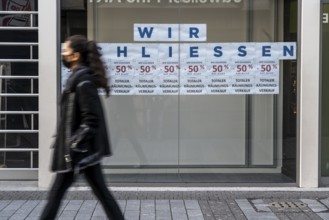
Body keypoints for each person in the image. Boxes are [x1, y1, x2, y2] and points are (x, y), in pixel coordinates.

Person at [40, 35, 125, 220]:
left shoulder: (83, 81)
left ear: (75, 55)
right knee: (100, 193)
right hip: (80, 151)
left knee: (56, 195)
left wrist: (72, 143)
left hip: (79, 152)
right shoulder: (78, 78)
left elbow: (91, 120)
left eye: (65, 51)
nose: (63, 54)